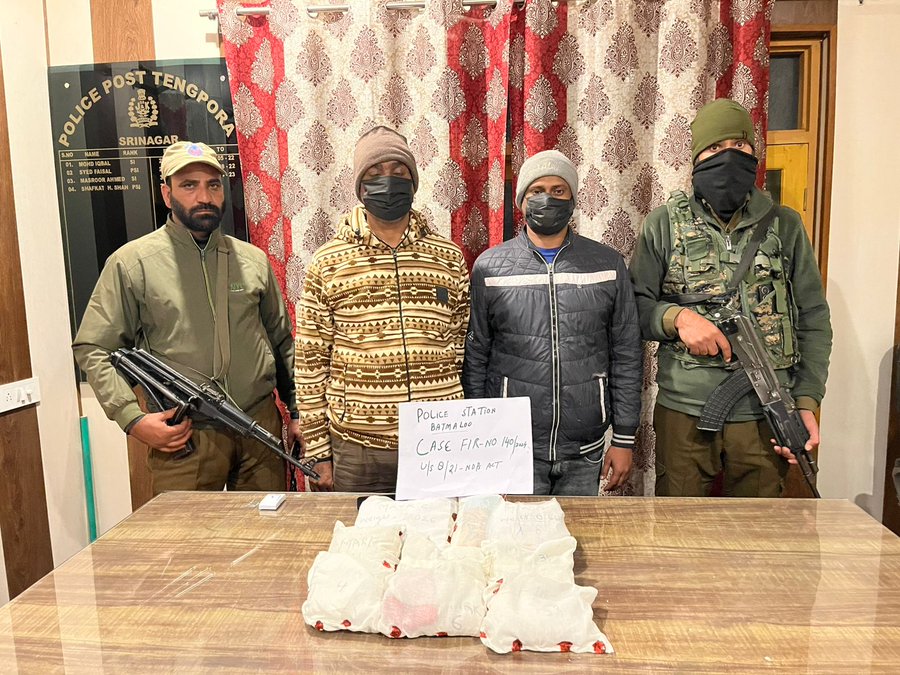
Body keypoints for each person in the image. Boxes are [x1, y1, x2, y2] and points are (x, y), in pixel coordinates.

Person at [629, 99, 832, 497]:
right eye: (714, 148)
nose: (728, 156)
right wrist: (678, 319)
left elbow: (813, 319)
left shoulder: (784, 225)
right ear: (696, 158)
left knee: (758, 527)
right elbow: (634, 307)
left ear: (754, 154)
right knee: (679, 523)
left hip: (764, 413)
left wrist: (806, 400)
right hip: (684, 412)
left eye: (739, 147)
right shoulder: (664, 223)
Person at [73, 141, 299, 495]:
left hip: (259, 431)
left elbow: (282, 341)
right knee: (183, 531)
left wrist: (297, 411)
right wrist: (132, 418)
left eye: (213, 185)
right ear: (167, 194)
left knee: (266, 528)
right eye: (189, 185)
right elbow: (93, 347)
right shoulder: (132, 264)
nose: (204, 197)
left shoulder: (252, 261)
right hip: (185, 436)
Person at [295, 126, 470, 493]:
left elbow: (458, 346)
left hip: (438, 441)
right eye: (375, 173)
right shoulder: (328, 262)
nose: (388, 181)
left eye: (398, 171)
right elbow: (310, 364)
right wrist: (318, 451)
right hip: (357, 449)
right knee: (360, 531)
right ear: (360, 187)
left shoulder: (448, 257)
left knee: (441, 530)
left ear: (414, 182)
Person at [462, 150, 642, 496]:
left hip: (585, 448)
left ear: (572, 199)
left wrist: (623, 438)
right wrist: (478, 433)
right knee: (516, 530)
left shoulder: (607, 264)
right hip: (512, 447)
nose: (547, 198)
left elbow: (626, 352)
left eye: (558, 190)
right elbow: (477, 355)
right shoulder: (489, 268)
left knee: (578, 529)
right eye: (537, 190)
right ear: (522, 201)